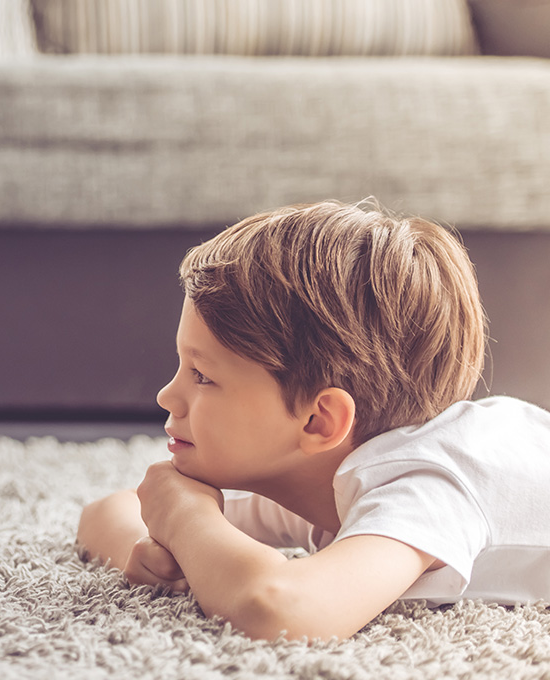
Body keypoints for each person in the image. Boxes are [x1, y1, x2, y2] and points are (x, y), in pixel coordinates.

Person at [77, 200, 550, 641]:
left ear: (318, 423)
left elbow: (281, 609)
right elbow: (104, 513)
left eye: (202, 375)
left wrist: (185, 520)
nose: (167, 395)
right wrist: (150, 549)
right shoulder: (315, 475)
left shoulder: (424, 486)